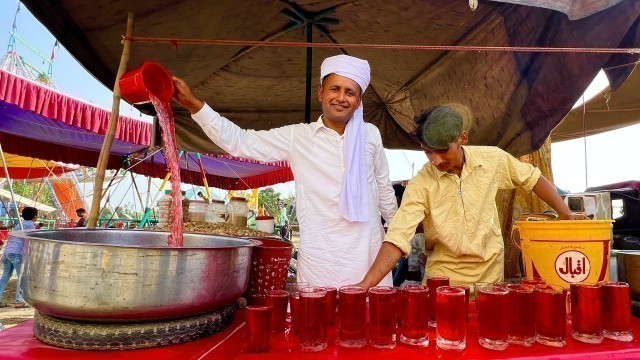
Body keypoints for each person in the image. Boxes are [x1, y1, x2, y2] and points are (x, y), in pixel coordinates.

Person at [174, 54, 398, 287]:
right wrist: (194, 105)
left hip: (368, 258)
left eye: (350, 92)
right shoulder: (297, 136)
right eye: (335, 89)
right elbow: (241, 141)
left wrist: (398, 235)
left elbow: (384, 190)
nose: (341, 98)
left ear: (359, 101)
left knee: (373, 321)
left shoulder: (370, 134)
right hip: (321, 262)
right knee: (318, 320)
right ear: (321, 92)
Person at [357, 105, 586, 289]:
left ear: (462, 138)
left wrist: (565, 213)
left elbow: (533, 178)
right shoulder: (421, 182)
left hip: (490, 281)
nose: (435, 161)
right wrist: (365, 286)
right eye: (428, 151)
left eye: (442, 150)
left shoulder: (493, 159)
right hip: (443, 284)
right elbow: (398, 236)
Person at [0, 207, 38, 308]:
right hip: (17, 253)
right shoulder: (30, 225)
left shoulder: (19, 224)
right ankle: (19, 299)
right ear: (35, 216)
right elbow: (32, 239)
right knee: (22, 277)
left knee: (5, 276)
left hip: (8, 251)